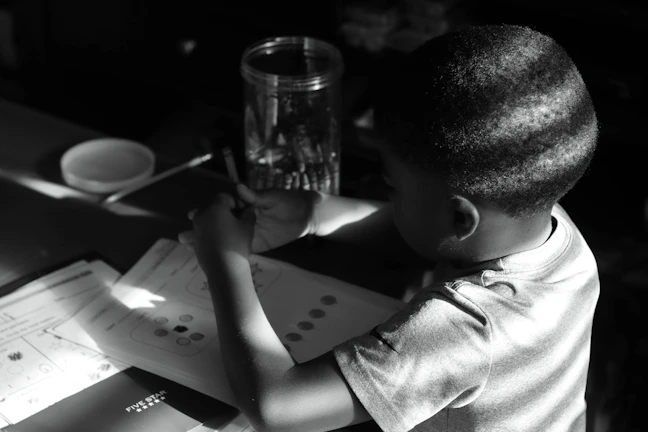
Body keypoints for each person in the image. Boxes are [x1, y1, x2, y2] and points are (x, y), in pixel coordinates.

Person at [179, 24, 600, 432]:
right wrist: (315, 213)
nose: (388, 199)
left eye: (391, 187)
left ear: (460, 217)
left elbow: (279, 408)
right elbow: (440, 235)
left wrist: (224, 259)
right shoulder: (549, 225)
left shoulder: (466, 331)